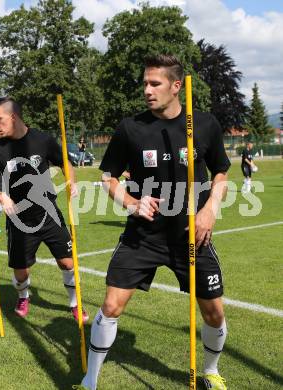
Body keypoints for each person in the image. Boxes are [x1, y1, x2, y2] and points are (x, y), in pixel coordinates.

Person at [74, 55, 230, 390]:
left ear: (177, 87)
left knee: (213, 313)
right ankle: (89, 382)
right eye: (144, 83)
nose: (147, 90)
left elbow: (221, 171)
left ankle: (212, 372)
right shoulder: (130, 127)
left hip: (192, 235)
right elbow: (108, 178)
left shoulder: (204, 124)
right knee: (112, 305)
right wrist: (132, 204)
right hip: (143, 236)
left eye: (155, 83)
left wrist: (210, 209)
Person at [0, 97, 88, 323]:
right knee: (22, 271)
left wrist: (72, 181)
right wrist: (1, 196)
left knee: (67, 262)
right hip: (18, 219)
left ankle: (75, 303)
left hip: (48, 213)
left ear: (13, 117)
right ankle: (23, 296)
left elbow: (65, 162)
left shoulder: (43, 140)